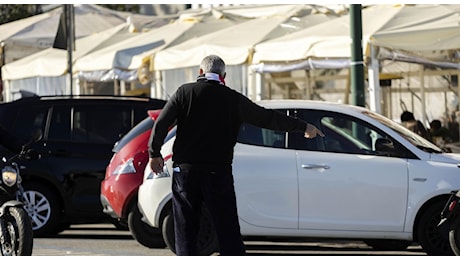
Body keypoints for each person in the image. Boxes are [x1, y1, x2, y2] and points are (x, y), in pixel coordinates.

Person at [147, 54, 324, 256]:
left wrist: (155, 153)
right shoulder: (233, 99)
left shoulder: (184, 92)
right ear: (224, 75)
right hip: (217, 170)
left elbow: (161, 123)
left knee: (186, 223)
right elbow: (267, 118)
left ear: (200, 72)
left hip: (186, 170)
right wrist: (303, 127)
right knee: (226, 224)